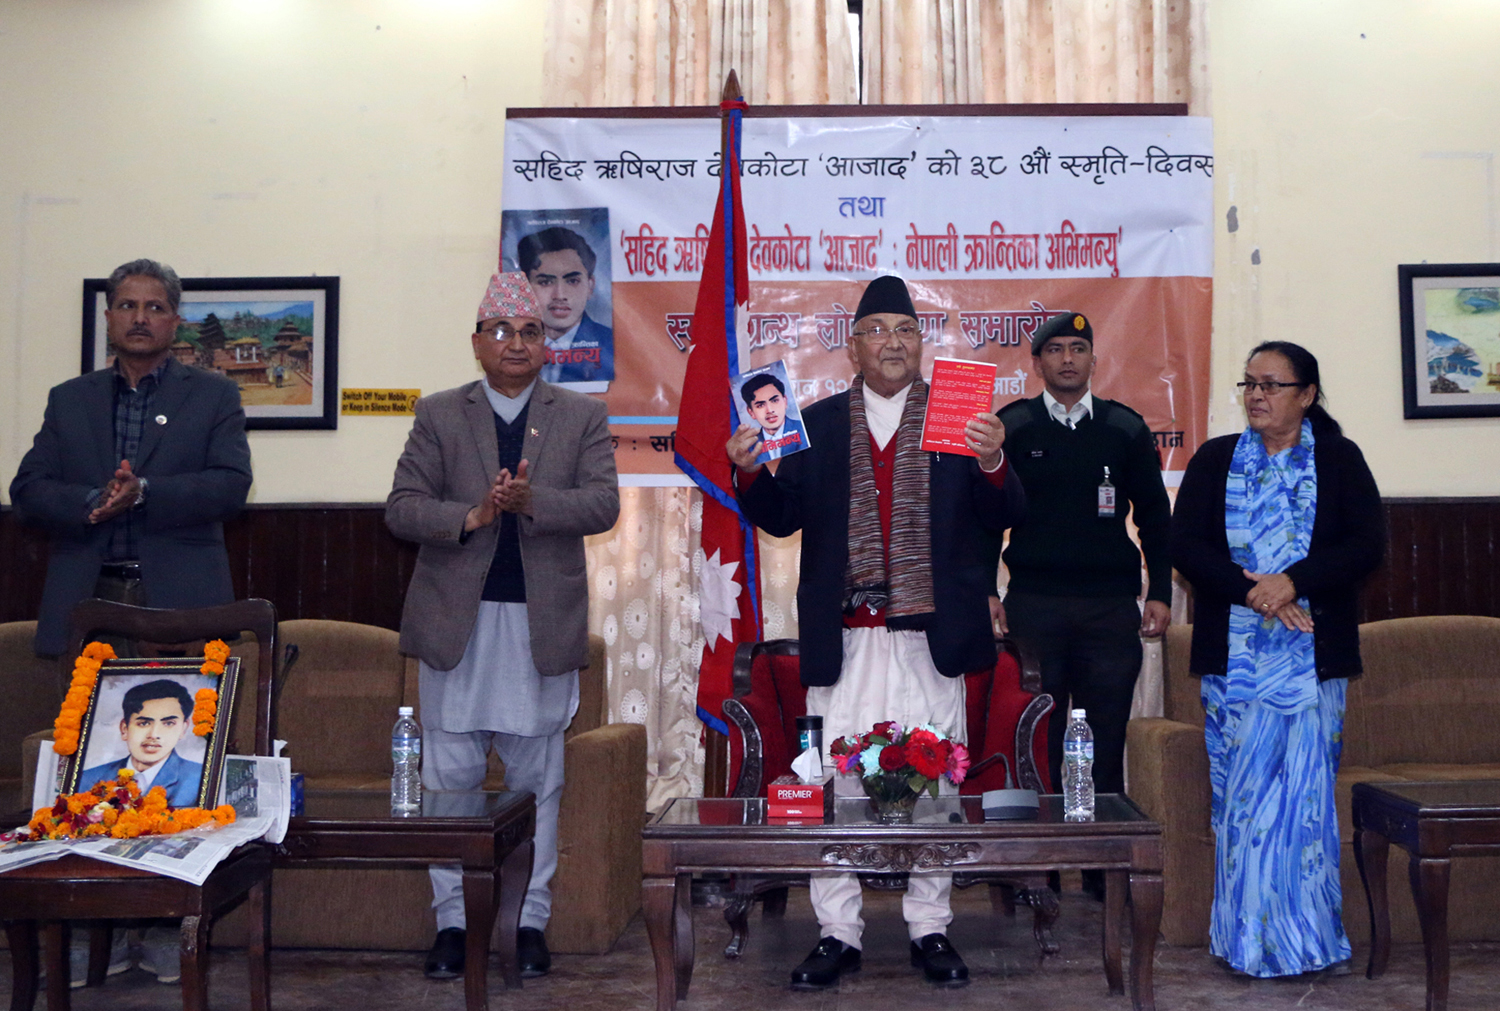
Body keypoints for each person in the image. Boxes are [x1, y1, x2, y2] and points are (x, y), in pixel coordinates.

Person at [728, 275, 1024, 990]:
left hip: (932, 637)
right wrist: (749, 474)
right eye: (877, 330)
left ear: (922, 344)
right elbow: (781, 518)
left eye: (906, 330)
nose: (893, 342)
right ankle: (837, 932)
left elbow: (1005, 513)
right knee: (833, 781)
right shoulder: (820, 423)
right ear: (853, 347)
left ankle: (930, 926)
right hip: (846, 636)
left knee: (934, 777)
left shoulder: (959, 418)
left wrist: (992, 460)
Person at [386, 271, 619, 982]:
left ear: (547, 345)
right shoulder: (438, 413)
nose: (516, 343)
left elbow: (603, 505)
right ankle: (454, 924)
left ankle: (528, 922)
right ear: (477, 342)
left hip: (538, 625)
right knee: (449, 781)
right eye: (502, 330)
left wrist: (530, 501)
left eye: (530, 332)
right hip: (455, 624)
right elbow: (402, 507)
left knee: (536, 783)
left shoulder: (580, 416)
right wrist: (475, 514)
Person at [1172, 341, 1384, 977]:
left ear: (1307, 395)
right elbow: (1185, 546)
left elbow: (1366, 544)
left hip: (1313, 663)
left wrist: (1293, 582)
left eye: (1270, 384)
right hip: (1234, 663)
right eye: (1249, 384)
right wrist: (1255, 594)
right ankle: (1244, 943)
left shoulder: (1340, 459)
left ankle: (1309, 943)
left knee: (1304, 807)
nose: (1256, 396)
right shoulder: (1215, 459)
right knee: (1242, 808)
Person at [990, 312, 1172, 899]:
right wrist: (987, 591)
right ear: (1037, 362)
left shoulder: (1124, 427)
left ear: (1094, 359)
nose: (1067, 359)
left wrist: (1160, 590)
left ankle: (1100, 868)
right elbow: (984, 515)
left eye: (1078, 348)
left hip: (1108, 609)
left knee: (1103, 738)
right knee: (1037, 738)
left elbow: (1155, 516)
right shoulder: (1012, 426)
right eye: (1055, 350)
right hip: (1034, 609)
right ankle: (1039, 868)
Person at [10, 258, 253, 658]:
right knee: (83, 704)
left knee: (181, 703)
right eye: (127, 306)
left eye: (154, 307)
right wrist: (93, 501)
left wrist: (144, 493)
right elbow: (28, 491)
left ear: (174, 321)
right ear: (109, 318)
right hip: (87, 599)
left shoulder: (214, 395)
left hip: (181, 600)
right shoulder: (69, 399)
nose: (140, 318)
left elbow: (231, 486)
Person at [76, 679, 204, 808]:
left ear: (183, 729)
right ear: (124, 729)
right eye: (144, 723)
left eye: (168, 723)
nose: (154, 735)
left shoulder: (200, 779)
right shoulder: (87, 780)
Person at [518, 226, 614, 384]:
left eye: (572, 281)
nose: (560, 295)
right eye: (545, 282)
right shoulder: (512, 346)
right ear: (525, 287)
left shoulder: (614, 346)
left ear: (590, 286)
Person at [739, 373, 807, 461]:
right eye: (760, 405)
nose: (770, 410)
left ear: (785, 401)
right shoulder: (750, 445)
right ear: (751, 412)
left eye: (774, 401)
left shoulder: (804, 429)